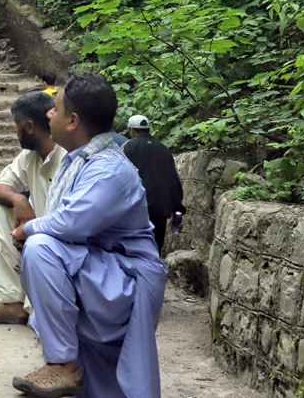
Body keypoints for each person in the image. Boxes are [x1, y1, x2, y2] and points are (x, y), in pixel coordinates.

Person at [11, 72, 166, 398]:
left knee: (40, 248)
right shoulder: (78, 161)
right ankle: (70, 367)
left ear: (73, 121)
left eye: (55, 108)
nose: (48, 114)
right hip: (102, 274)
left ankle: (62, 365)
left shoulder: (108, 168)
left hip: (125, 281)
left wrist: (28, 228)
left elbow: (70, 224)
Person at [0, 92, 66, 326]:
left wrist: (30, 228)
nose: (15, 131)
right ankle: (12, 301)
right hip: (41, 236)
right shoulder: (29, 156)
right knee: (1, 212)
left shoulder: (68, 156)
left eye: (16, 125)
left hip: (64, 240)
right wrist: (19, 200)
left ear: (29, 126)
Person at [123, 114, 186, 252]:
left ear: (132, 130)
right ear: (149, 130)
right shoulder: (164, 150)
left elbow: (121, 180)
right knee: (155, 249)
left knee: (136, 252)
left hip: (136, 210)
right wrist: (177, 216)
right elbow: (174, 183)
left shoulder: (128, 148)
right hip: (160, 210)